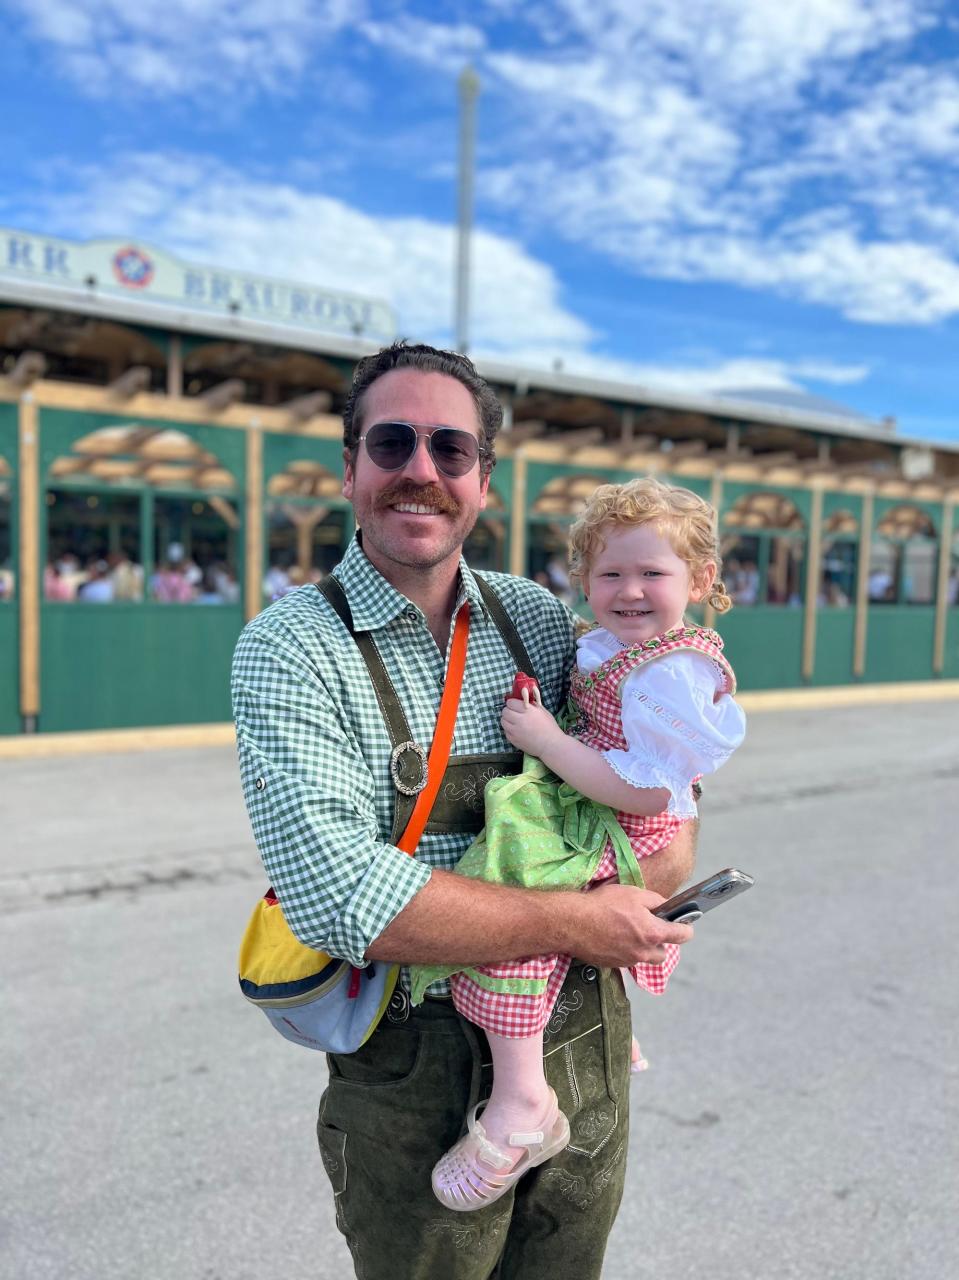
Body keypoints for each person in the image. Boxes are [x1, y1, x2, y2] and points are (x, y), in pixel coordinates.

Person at [232, 342, 696, 1280]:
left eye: (451, 449)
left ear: (483, 476)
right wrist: (578, 918)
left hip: (584, 1038)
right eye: (392, 442)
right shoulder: (291, 645)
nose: (420, 471)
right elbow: (340, 897)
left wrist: (663, 815)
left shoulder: (534, 617)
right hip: (414, 1065)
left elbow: (658, 805)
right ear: (351, 465)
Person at [411, 477, 746, 1211]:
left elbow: (648, 791)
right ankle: (590, 1026)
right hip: (592, 797)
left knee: (524, 908)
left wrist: (547, 740)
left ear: (702, 580)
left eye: (653, 573)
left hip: (624, 818)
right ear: (583, 579)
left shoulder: (677, 674)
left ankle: (524, 1104)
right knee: (534, 896)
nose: (630, 590)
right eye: (610, 574)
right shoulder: (619, 646)